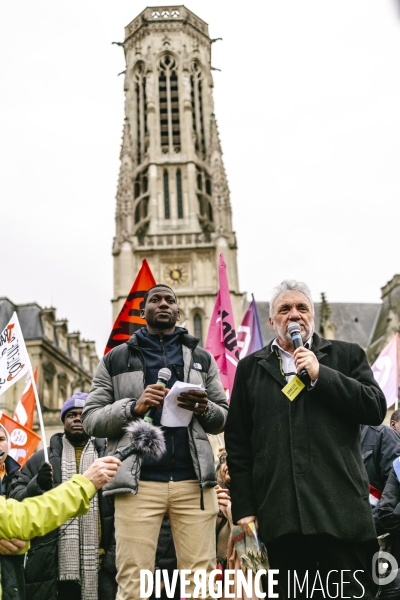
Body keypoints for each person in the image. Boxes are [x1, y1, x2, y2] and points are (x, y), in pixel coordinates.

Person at [225, 279, 386, 600]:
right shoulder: (250, 369)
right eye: (284, 309)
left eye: (302, 308)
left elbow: (374, 407)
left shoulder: (346, 356)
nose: (294, 315)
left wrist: (320, 374)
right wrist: (245, 507)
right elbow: (239, 443)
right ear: (272, 322)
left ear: (312, 316)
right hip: (280, 516)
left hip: (339, 513)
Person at [81, 284, 228, 600]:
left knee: (202, 583)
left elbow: (224, 415)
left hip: (194, 484)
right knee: (133, 583)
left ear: (178, 311)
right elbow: (90, 418)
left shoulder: (202, 359)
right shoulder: (115, 359)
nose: (163, 303)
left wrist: (204, 407)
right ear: (142, 311)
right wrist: (133, 407)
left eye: (170, 300)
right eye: (155, 299)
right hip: (139, 484)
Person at [10, 393, 117, 600]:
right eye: (71, 415)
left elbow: (121, 511)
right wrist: (36, 486)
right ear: (63, 421)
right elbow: (16, 504)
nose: (77, 418)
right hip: (52, 565)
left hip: (101, 565)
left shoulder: (107, 458)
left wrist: (112, 557)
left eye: (83, 414)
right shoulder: (42, 458)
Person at [0, 454, 120, 600]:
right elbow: (21, 517)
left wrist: (111, 562)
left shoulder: (106, 454)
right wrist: (84, 485)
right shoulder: (38, 459)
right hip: (49, 573)